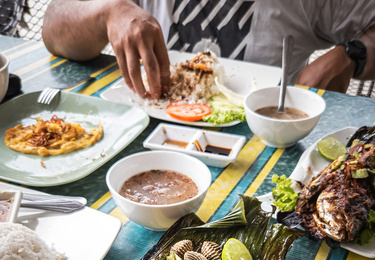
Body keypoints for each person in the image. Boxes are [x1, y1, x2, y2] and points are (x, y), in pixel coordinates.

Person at [42, 0, 375, 100]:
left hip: (263, 146)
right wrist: (108, 12)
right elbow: (54, 30)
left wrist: (352, 55)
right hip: (144, 135)